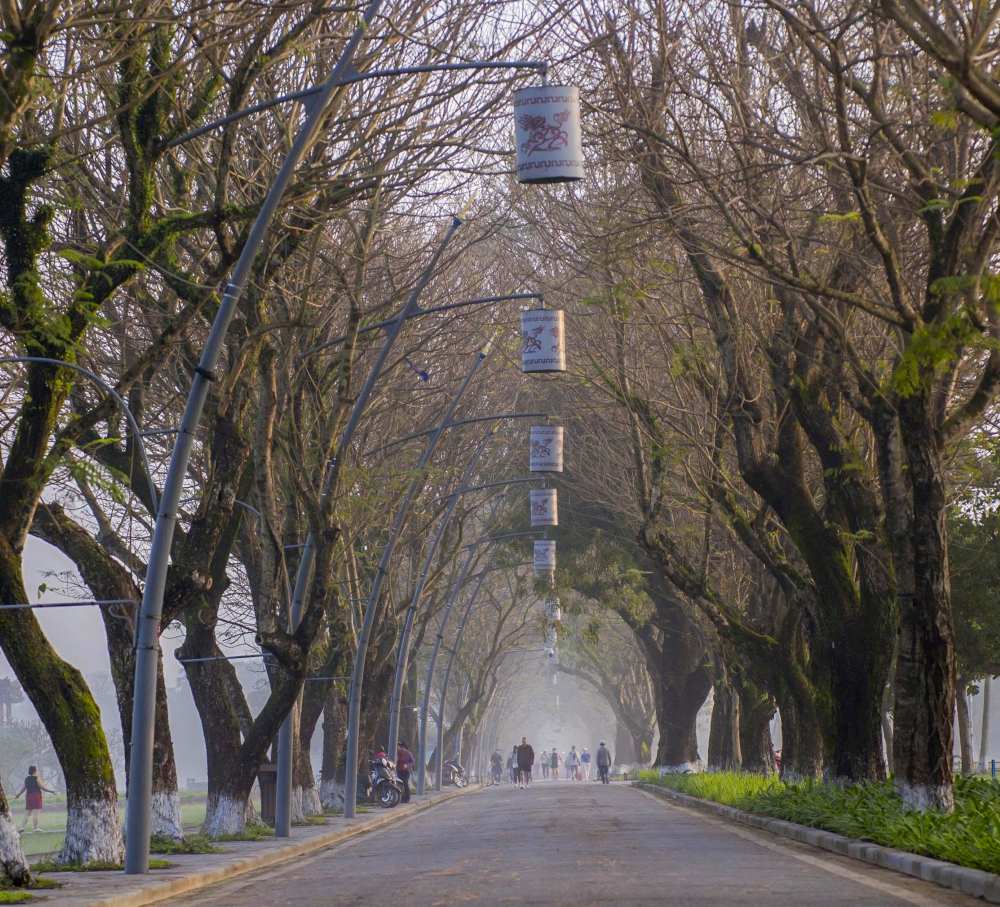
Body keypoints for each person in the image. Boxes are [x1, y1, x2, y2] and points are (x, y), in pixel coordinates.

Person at [14, 766, 53, 833]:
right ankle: (35, 828)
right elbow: (42, 787)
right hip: (36, 796)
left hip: (28, 796)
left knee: (27, 813)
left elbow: (23, 788)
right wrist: (51, 791)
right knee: (35, 812)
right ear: (35, 771)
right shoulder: (36, 778)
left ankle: (22, 827)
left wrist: (18, 795)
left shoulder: (26, 779)